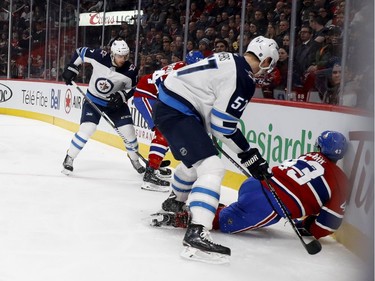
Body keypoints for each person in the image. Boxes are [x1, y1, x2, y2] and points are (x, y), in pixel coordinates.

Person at [151, 36, 279, 262]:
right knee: (212, 168)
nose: (267, 69)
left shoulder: (230, 59)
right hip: (178, 111)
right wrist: (249, 154)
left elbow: (212, 111)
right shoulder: (245, 77)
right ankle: (197, 231)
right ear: (266, 59)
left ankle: (174, 203)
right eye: (271, 63)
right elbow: (223, 125)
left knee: (195, 164)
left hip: (173, 106)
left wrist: (246, 154)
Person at [159, 130, 349, 242]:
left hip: (254, 184)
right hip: (266, 205)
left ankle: (215, 207)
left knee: (240, 209)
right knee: (223, 223)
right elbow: (328, 223)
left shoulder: (308, 156)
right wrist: (308, 227)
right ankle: (184, 218)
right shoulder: (340, 181)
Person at [61, 39, 145, 175]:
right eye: (119, 56)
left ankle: (135, 160)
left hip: (115, 105)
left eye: (125, 56)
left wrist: (123, 96)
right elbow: (80, 52)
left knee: (129, 132)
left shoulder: (131, 70)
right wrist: (72, 68)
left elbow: (134, 88)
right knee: (88, 128)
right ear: (112, 54)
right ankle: (69, 158)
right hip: (93, 100)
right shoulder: (100, 56)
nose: (122, 59)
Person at [133, 51, 204, 192]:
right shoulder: (182, 74)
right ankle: (150, 175)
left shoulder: (185, 69)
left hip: (155, 95)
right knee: (163, 132)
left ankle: (155, 165)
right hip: (146, 95)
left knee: (168, 131)